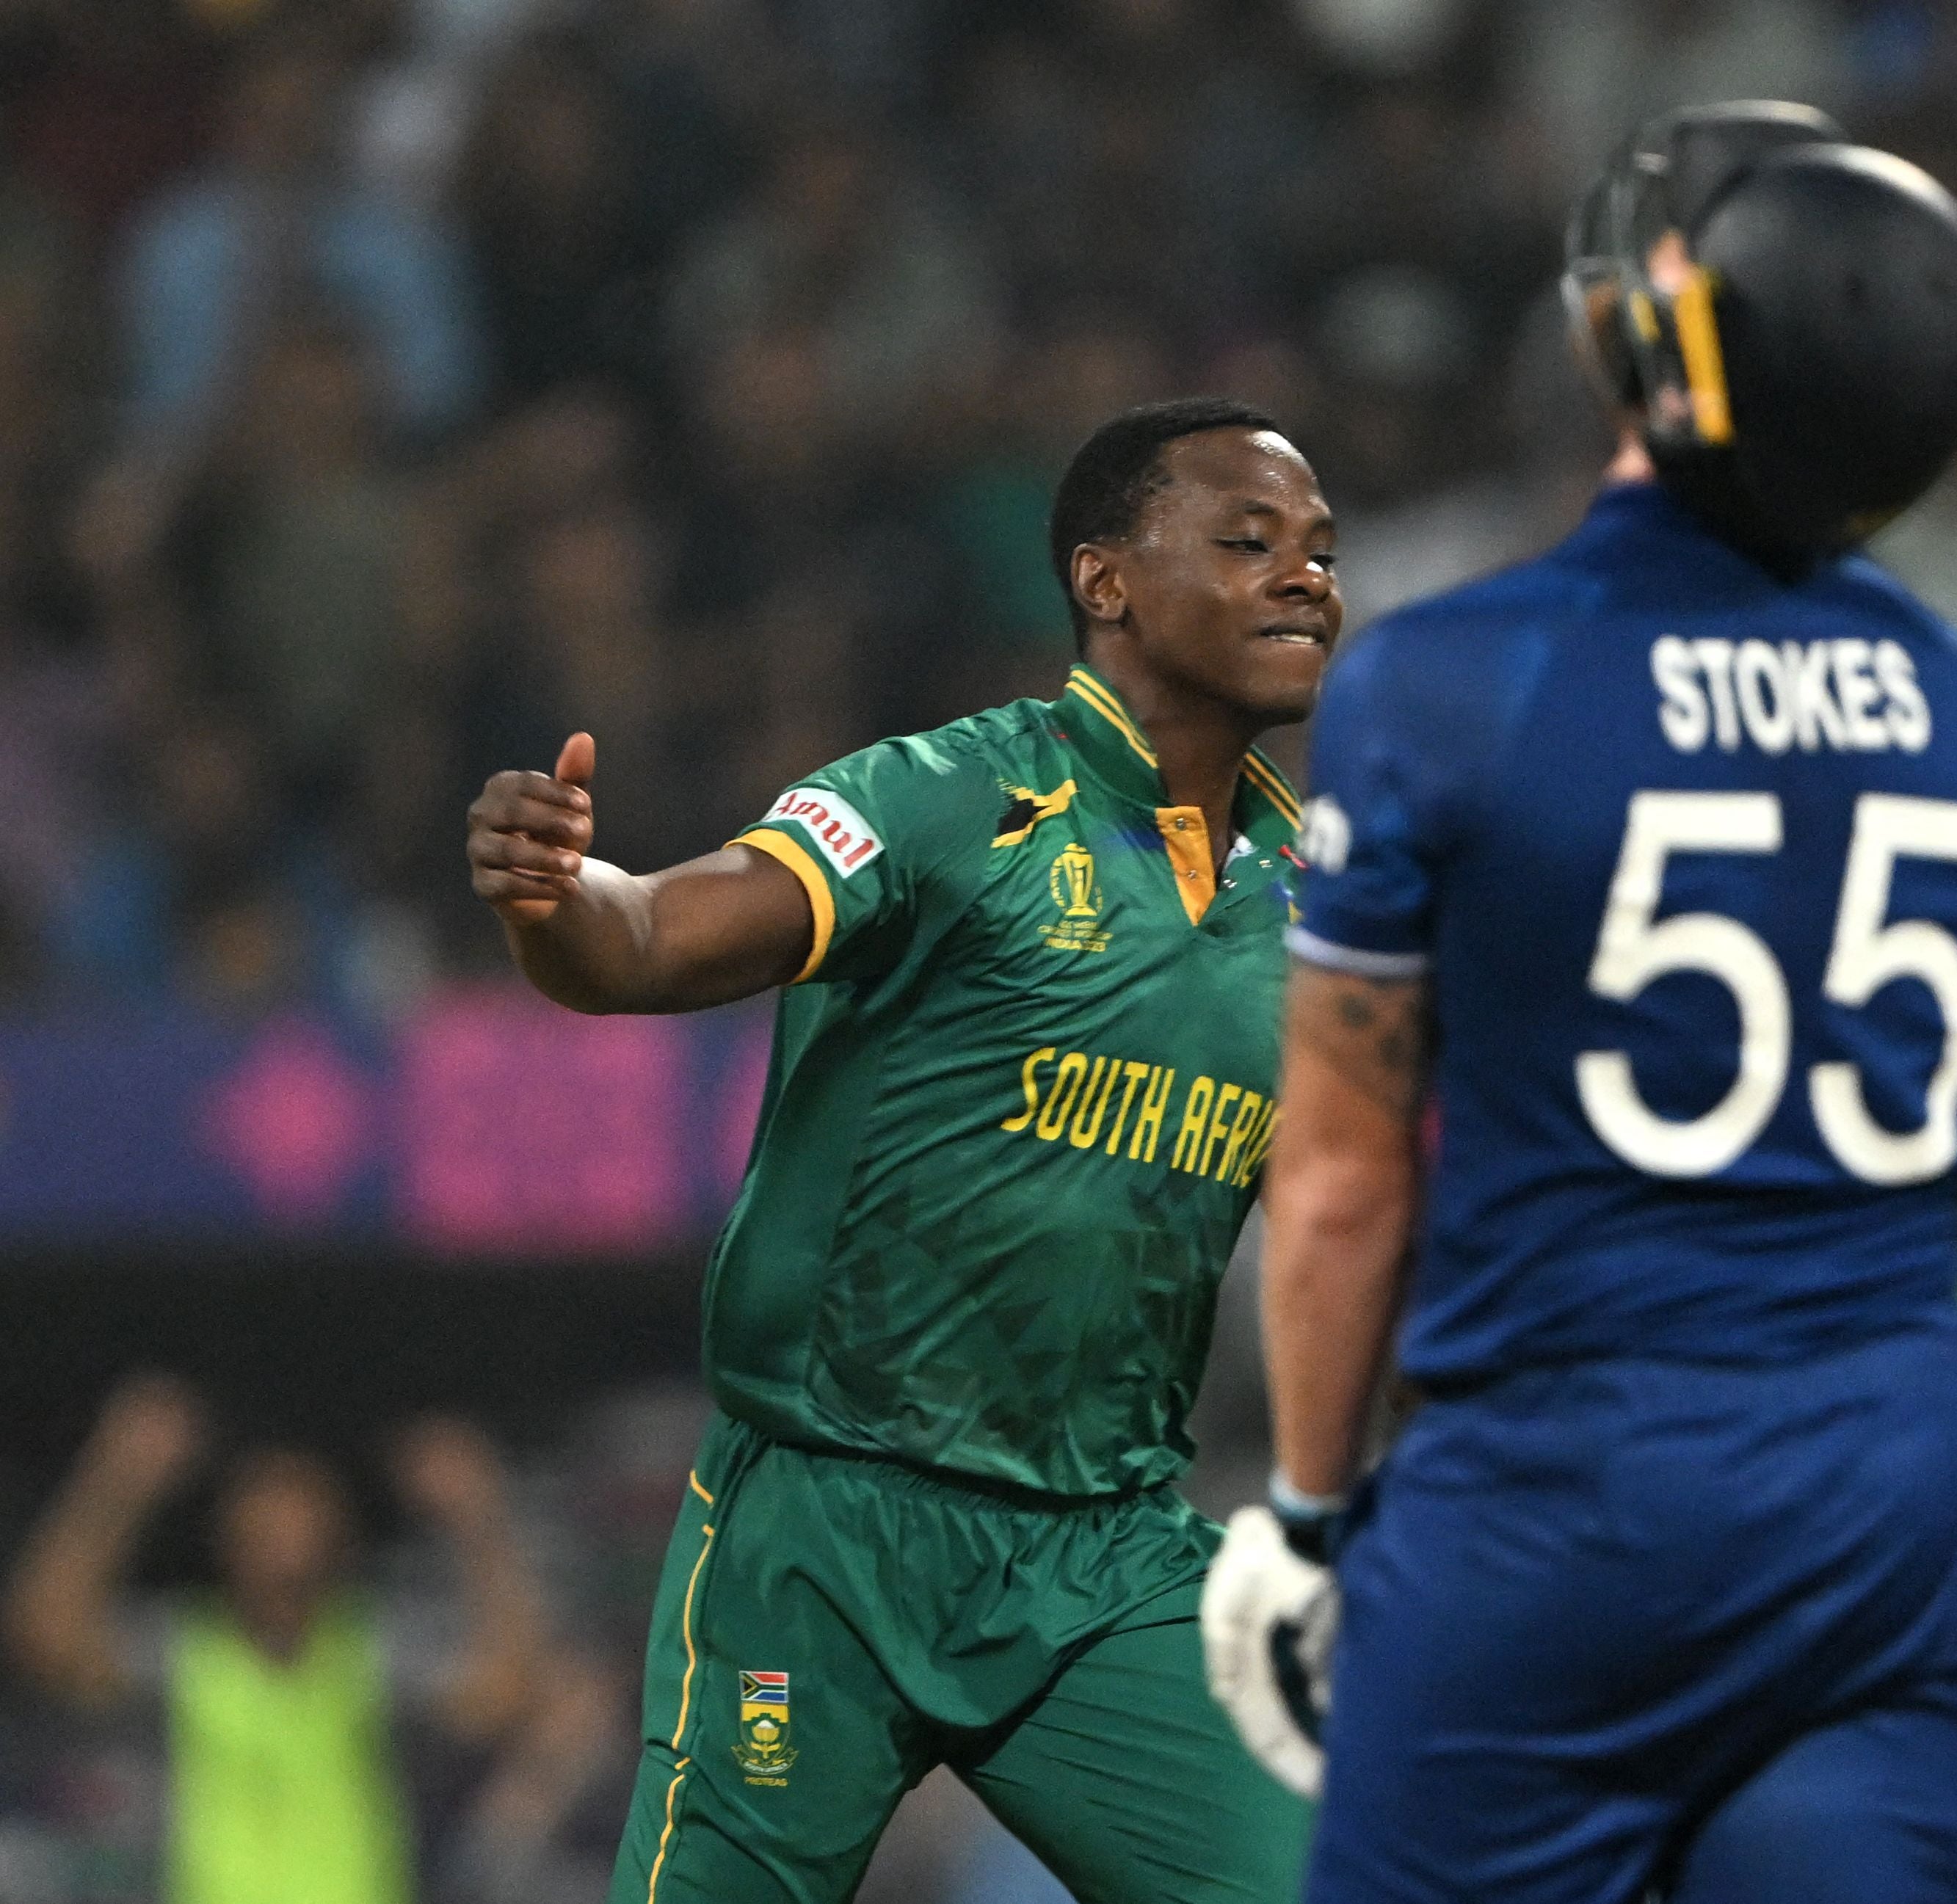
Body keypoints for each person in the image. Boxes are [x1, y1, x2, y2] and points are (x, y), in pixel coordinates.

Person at [1200, 105, 1957, 1904]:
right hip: (1882, 1514)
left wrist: (1312, 1507)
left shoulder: (1435, 681)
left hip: (1549, 1492)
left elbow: (1337, 1185)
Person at [463, 395, 1335, 1904]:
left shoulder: (1322, 909)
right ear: (1104, 579)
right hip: (827, 1529)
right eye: (1250, 541)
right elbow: (656, 934)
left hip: (1099, 1553)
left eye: (1322, 551)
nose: (1304, 578)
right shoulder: (953, 798)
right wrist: (556, 895)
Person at [4, 1376, 553, 1904]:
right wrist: (119, 1477)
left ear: (342, 1539)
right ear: (226, 1537)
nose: (284, 1540)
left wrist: (476, 1514)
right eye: (263, 1521)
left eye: (302, 1519)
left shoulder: (371, 1652)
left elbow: (505, 1692)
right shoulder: (188, 1650)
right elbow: (47, 1640)